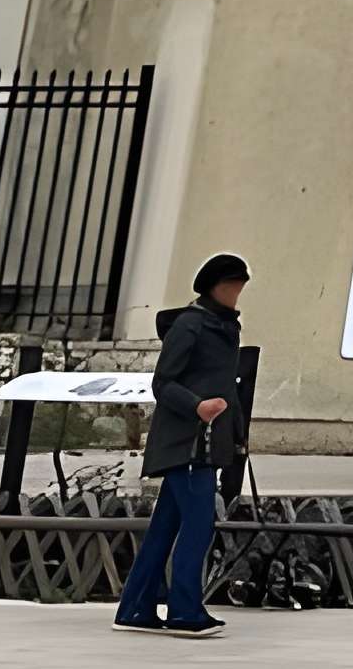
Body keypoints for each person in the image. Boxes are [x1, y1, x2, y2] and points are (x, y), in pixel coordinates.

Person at [114, 254, 249, 638]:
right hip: (187, 444)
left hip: (206, 441)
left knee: (165, 528)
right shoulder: (191, 325)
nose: (237, 292)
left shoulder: (225, 327)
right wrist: (197, 407)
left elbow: (226, 387)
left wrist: (237, 434)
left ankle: (136, 607)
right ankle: (185, 610)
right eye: (233, 285)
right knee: (198, 525)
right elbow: (163, 383)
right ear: (216, 287)